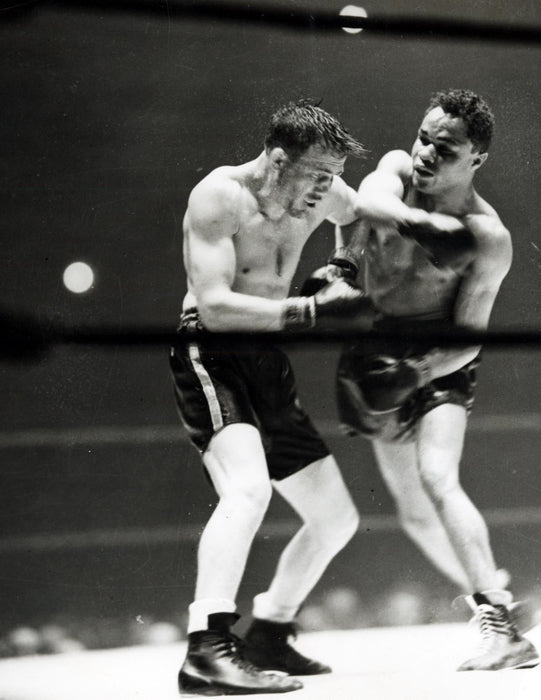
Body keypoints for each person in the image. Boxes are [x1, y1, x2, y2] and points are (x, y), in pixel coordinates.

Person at [169, 100, 372, 696]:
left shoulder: (323, 193)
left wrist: (342, 267)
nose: (327, 188)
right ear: (279, 160)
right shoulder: (220, 197)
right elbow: (214, 306)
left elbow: (359, 216)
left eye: (334, 175)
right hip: (211, 353)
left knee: (335, 518)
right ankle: (207, 648)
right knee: (248, 489)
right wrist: (312, 311)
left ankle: (269, 631)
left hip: (266, 359)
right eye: (318, 174)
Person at [334, 89, 541, 671]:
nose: (425, 153)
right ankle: (497, 591)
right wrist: (422, 225)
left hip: (439, 357)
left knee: (437, 476)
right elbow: (366, 201)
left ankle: (501, 627)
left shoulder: (487, 235)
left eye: (444, 149)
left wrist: (418, 371)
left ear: (477, 159)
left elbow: (469, 338)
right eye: (424, 138)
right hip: (375, 350)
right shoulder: (398, 172)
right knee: (415, 513)